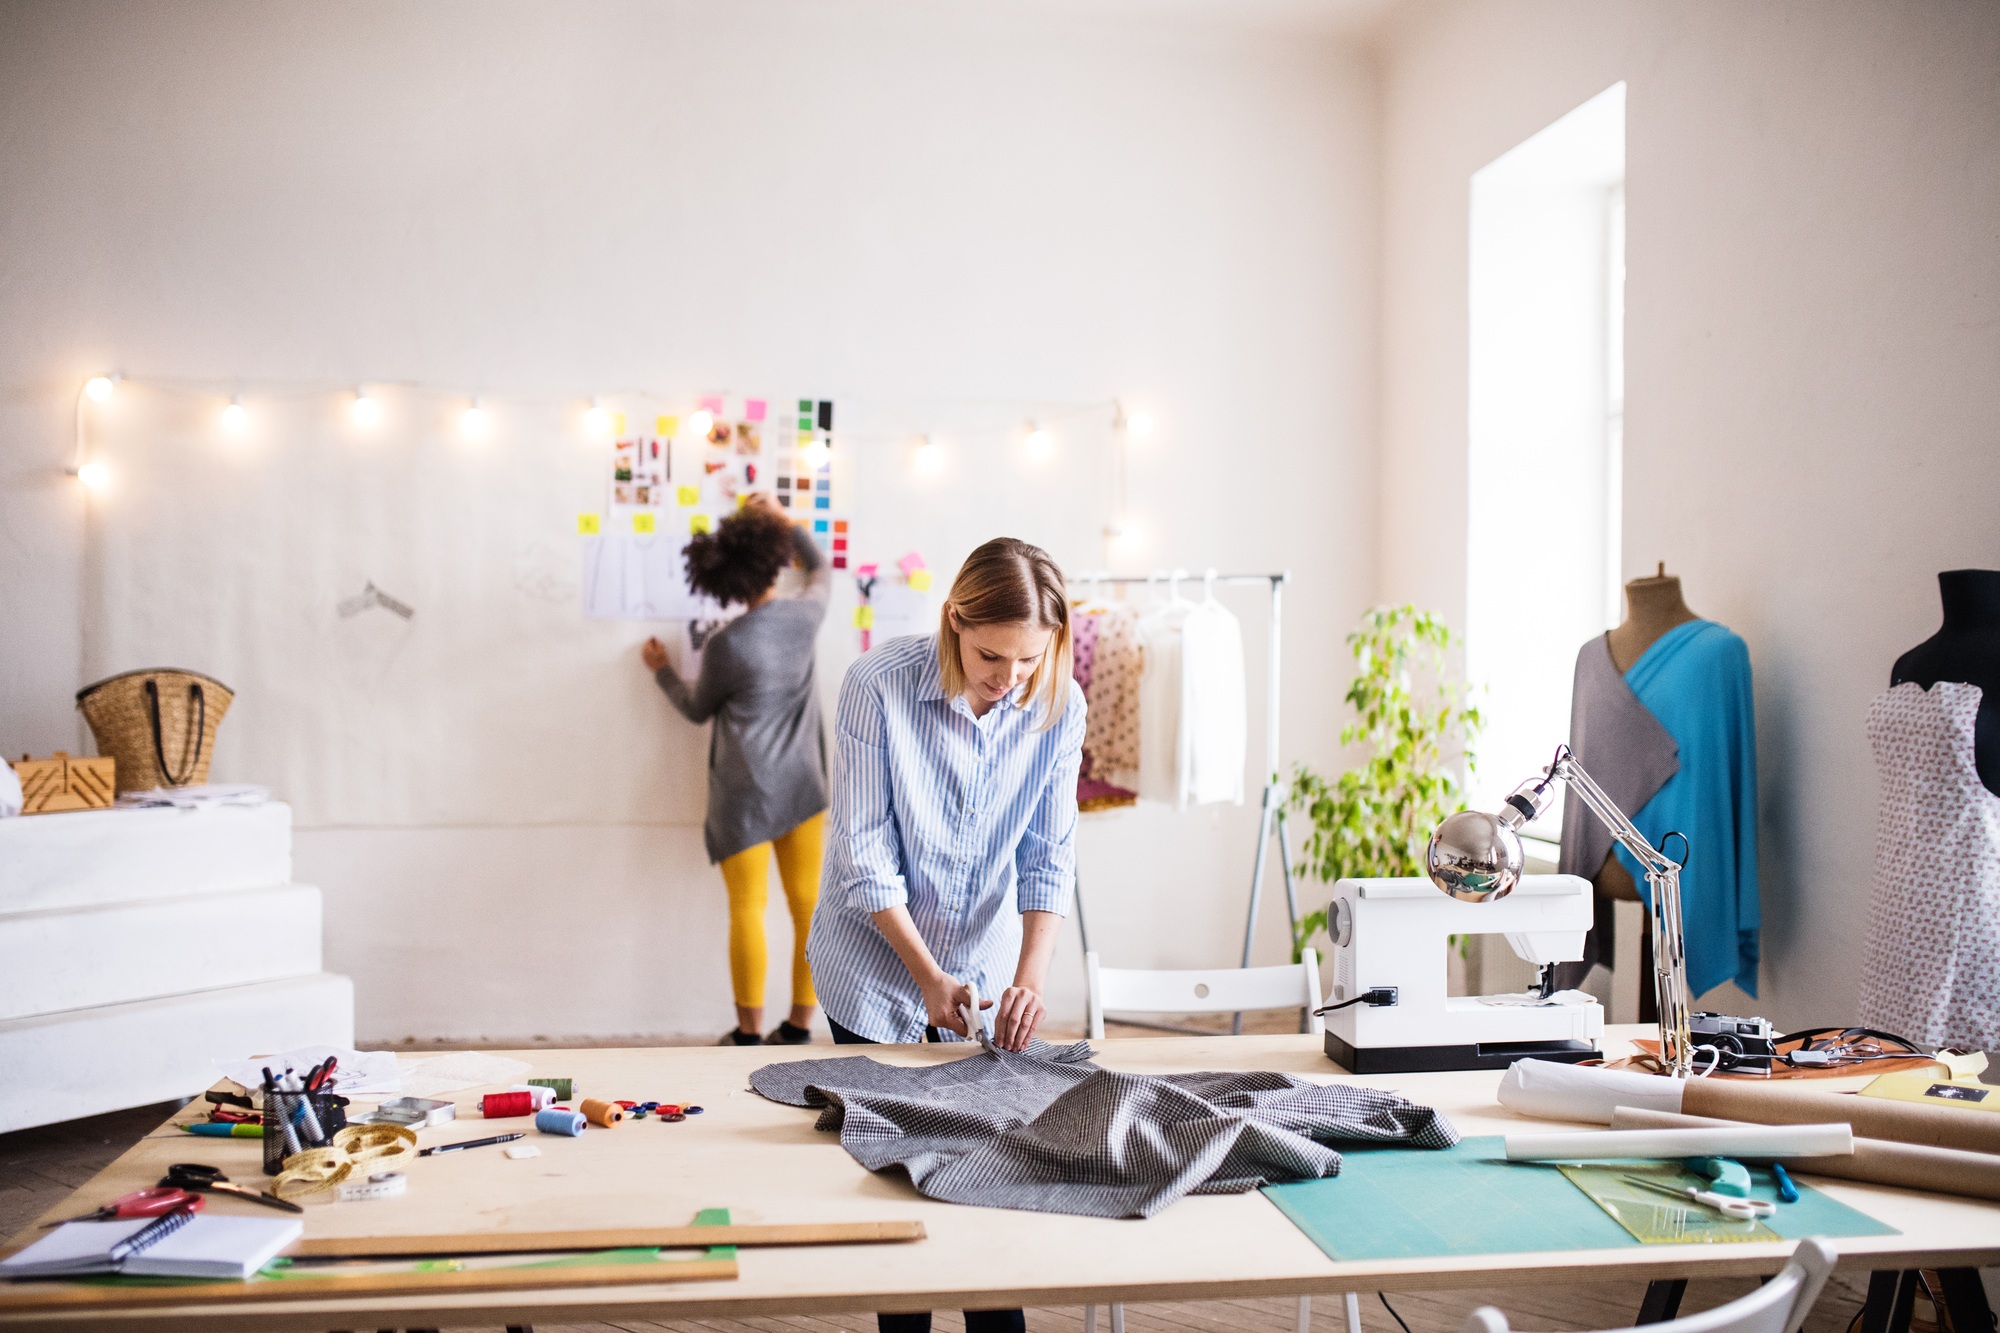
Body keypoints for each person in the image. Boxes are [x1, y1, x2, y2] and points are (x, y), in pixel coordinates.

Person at [643, 495, 830, 1046]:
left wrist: (662, 672)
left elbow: (697, 708)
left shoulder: (727, 645)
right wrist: (785, 520)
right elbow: (820, 569)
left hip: (744, 796)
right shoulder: (805, 616)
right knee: (807, 909)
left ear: (721, 579)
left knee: (747, 908)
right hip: (802, 788)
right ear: (773, 562)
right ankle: (798, 1025)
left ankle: (748, 1034)